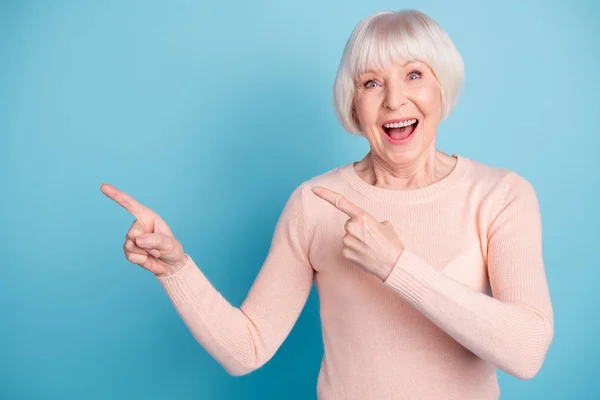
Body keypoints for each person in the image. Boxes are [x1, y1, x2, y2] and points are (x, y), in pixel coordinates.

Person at [100, 9, 554, 399]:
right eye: (371, 82)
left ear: (441, 88)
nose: (395, 99)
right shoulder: (314, 205)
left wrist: (397, 266)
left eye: (414, 74)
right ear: (354, 104)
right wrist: (175, 270)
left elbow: (527, 352)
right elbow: (246, 349)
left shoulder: (501, 195)